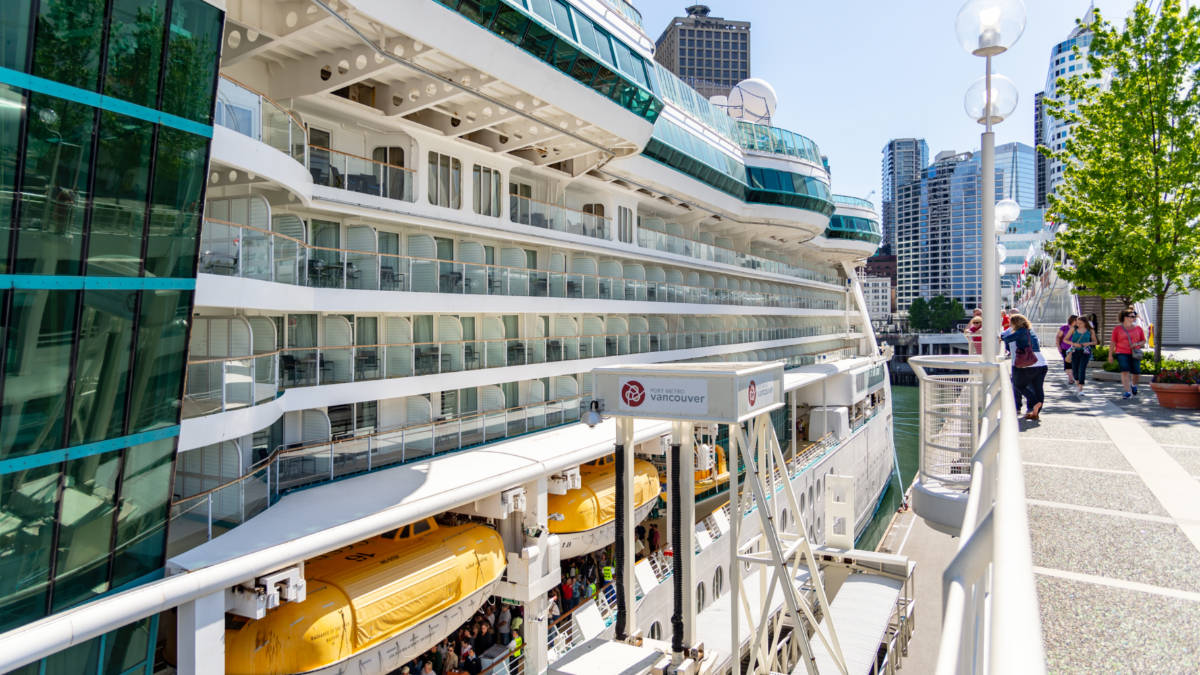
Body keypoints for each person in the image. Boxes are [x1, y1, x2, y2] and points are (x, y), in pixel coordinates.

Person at [1002, 314, 1048, 420]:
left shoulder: (1020, 331)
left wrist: (999, 336)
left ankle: (1035, 403)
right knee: (1038, 388)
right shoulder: (1030, 331)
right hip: (1041, 362)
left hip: (1029, 363)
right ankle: (1036, 411)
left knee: (1018, 384)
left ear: (1014, 323)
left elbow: (1006, 338)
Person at [1109, 308, 1146, 399]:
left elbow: (1143, 341)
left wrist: (1137, 344)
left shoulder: (1138, 328)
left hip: (1135, 353)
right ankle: (1127, 391)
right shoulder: (1117, 329)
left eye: (1134, 316)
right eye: (1132, 316)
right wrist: (1110, 355)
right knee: (1124, 371)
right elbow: (1113, 342)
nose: (1134, 318)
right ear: (1125, 317)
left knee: (1136, 372)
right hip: (1121, 352)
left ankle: (1133, 385)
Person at [1064, 316, 1096, 396]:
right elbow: (1065, 339)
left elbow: (1095, 341)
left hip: (1086, 351)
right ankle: (1078, 384)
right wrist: (1074, 344)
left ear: (1085, 323)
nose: (1078, 324)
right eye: (1077, 323)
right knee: (1075, 370)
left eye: (1080, 323)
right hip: (1075, 351)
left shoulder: (1090, 330)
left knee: (1082, 368)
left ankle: (1081, 388)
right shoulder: (1073, 329)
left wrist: (1088, 343)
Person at [1055, 314, 1079, 385]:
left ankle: (1073, 376)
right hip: (1065, 348)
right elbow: (1058, 337)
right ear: (1073, 320)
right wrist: (1059, 347)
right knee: (1068, 363)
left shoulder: (1078, 328)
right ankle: (1071, 378)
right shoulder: (1064, 328)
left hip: (1076, 349)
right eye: (1077, 320)